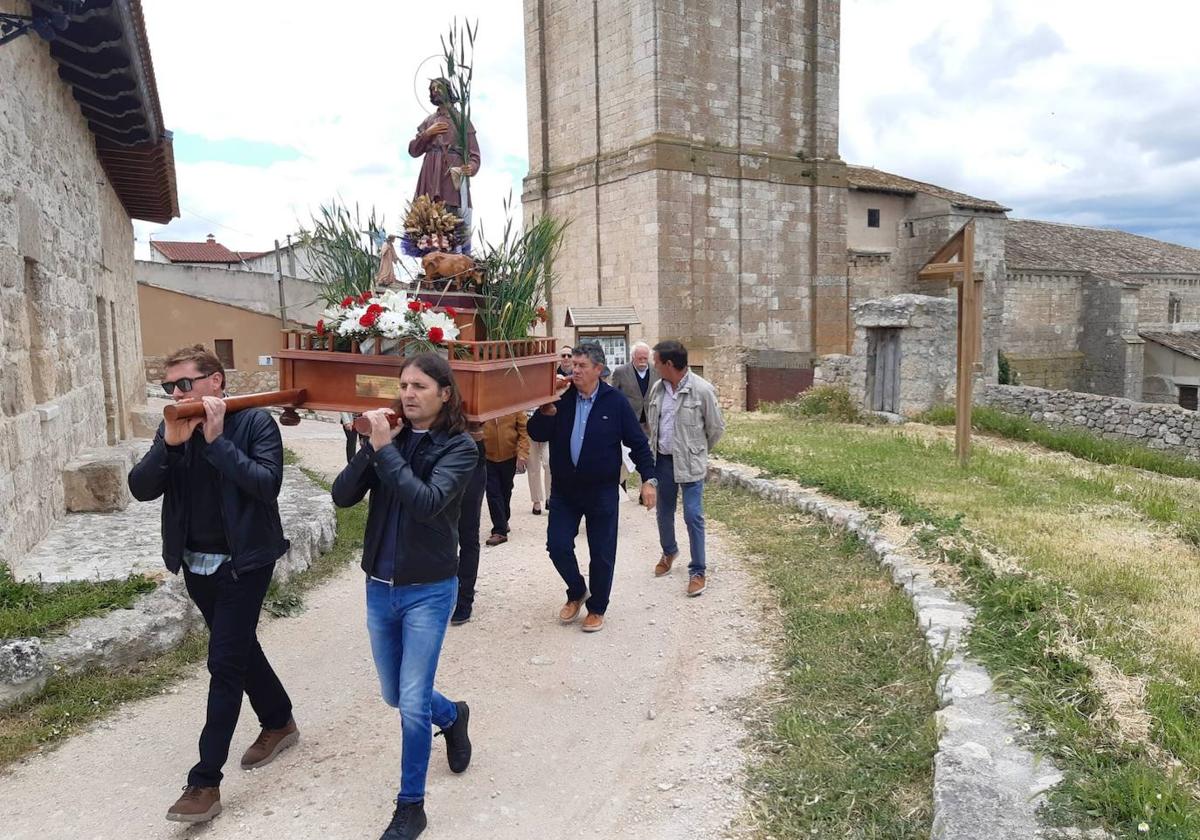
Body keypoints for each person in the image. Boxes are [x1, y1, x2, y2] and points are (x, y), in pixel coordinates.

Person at [128, 344, 296, 825]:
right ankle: (279, 720)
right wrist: (171, 445)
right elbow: (141, 487)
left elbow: (266, 485)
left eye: (186, 384)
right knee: (240, 650)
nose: (178, 393)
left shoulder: (253, 423)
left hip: (246, 562)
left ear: (216, 381)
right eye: (170, 387)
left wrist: (218, 441)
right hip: (197, 563)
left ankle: (205, 782)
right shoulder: (173, 427)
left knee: (223, 663)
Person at [331, 353, 477, 840]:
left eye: (419, 386)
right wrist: (367, 449)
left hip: (429, 591)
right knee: (395, 693)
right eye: (403, 386)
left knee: (411, 701)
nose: (409, 394)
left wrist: (385, 451)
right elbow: (342, 495)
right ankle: (453, 715)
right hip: (379, 587)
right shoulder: (386, 437)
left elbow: (427, 502)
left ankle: (410, 805)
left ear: (444, 394)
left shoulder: (459, 447)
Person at [527, 343, 657, 633]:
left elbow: (638, 444)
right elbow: (536, 433)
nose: (575, 370)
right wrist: (545, 411)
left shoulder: (615, 402)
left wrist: (649, 479)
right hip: (564, 491)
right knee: (557, 545)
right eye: (574, 364)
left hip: (601, 491)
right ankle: (576, 590)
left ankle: (597, 606)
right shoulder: (560, 398)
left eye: (582, 366)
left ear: (599, 369)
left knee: (601, 552)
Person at [646, 340, 726, 597]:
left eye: (656, 361)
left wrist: (697, 451)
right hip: (663, 462)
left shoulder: (702, 390)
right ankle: (669, 551)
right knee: (663, 512)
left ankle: (698, 570)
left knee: (693, 515)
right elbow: (652, 422)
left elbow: (715, 429)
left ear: (669, 364)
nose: (654, 366)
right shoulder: (657, 389)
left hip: (690, 463)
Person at [408, 78, 480, 214]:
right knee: (426, 215)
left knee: (451, 214)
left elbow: (474, 154)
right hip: (430, 173)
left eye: (438, 87)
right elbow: (413, 150)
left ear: (448, 90)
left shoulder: (461, 120)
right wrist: (427, 134)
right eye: (432, 89)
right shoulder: (429, 121)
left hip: (451, 173)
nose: (435, 91)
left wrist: (471, 167)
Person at [452, 423, 487, 626]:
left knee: (468, 535)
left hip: (471, 460)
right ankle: (442, 591)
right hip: (436, 457)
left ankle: (464, 598)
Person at [483, 411, 529, 546]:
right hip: (487, 457)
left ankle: (504, 520)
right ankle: (499, 530)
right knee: (492, 492)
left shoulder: (514, 405)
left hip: (509, 455)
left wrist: (522, 453)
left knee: (506, 490)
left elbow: (523, 431)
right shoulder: (484, 403)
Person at [610, 341, 660, 435]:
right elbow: (613, 395)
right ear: (633, 357)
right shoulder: (621, 372)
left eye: (645, 358)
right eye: (639, 358)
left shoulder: (657, 370)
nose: (642, 361)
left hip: (651, 420)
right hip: (629, 419)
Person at [526, 410, 551, 516]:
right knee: (533, 467)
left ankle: (550, 498)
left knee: (549, 463)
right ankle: (536, 501)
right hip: (528, 428)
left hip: (547, 427)